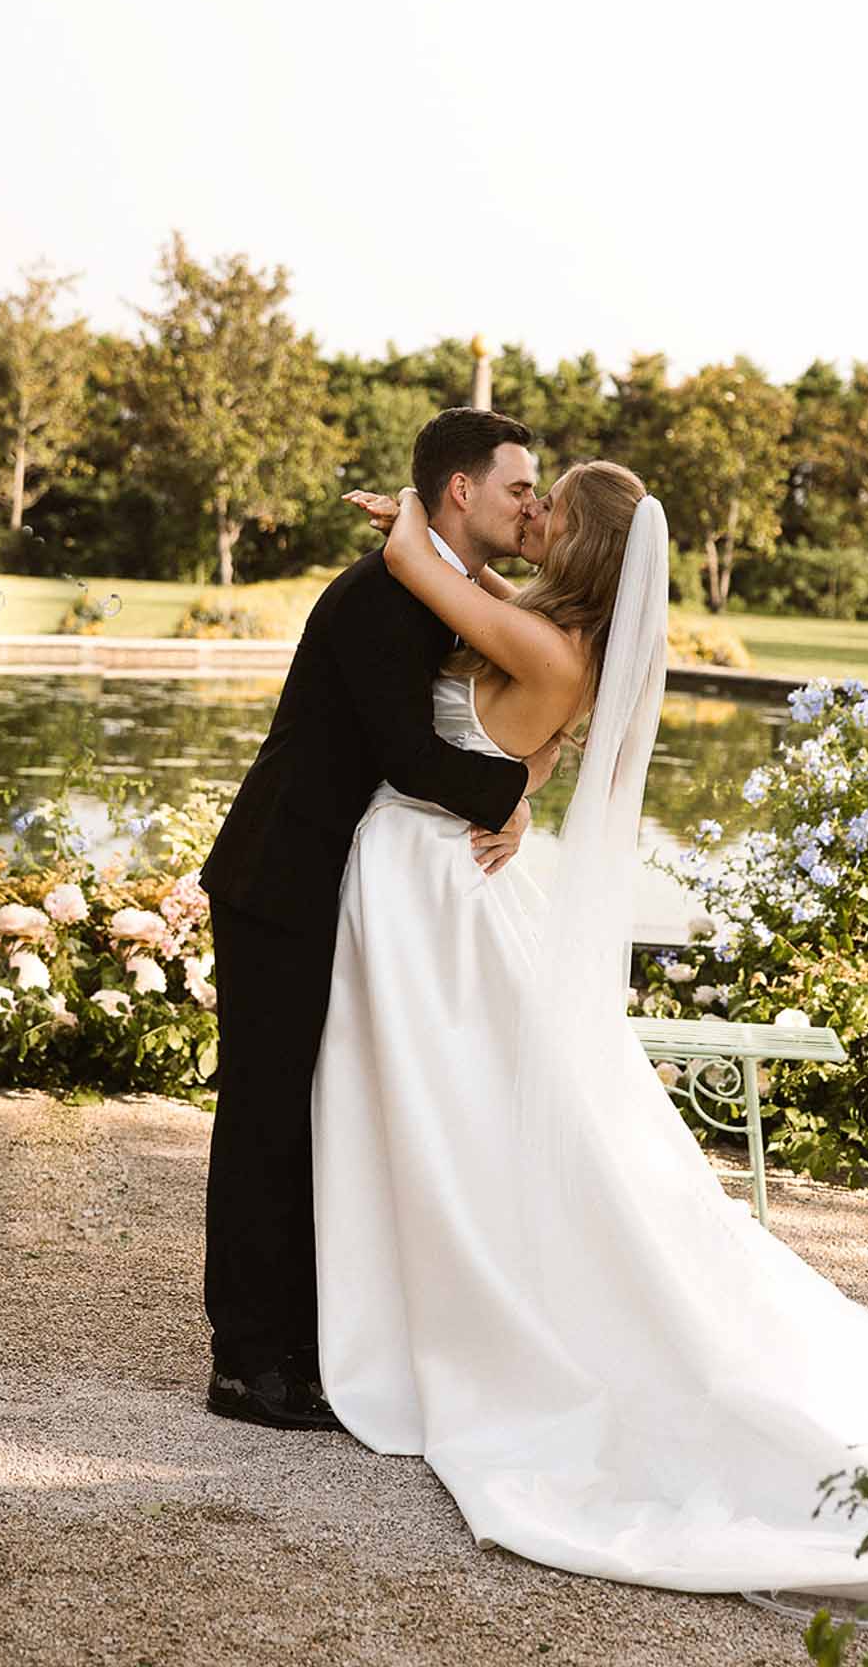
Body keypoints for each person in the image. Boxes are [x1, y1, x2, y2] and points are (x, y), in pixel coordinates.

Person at [314, 465, 868, 1612]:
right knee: (462, 1111)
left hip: (437, 893)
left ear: (581, 544)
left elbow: (419, 569)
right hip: (450, 883)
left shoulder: (543, 646)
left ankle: (453, 1309)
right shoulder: (559, 639)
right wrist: (520, 783)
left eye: (547, 504)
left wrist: (409, 514)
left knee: (457, 1113)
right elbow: (516, 732)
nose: (530, 512)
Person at [198, 408, 563, 1430]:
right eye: (515, 488)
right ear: (459, 491)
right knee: (265, 1116)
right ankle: (245, 1363)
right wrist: (515, 793)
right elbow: (406, 753)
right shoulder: (382, 597)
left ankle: (302, 1339)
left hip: (329, 876)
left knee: (307, 1112)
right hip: (280, 876)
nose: (528, 503)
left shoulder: (422, 581)